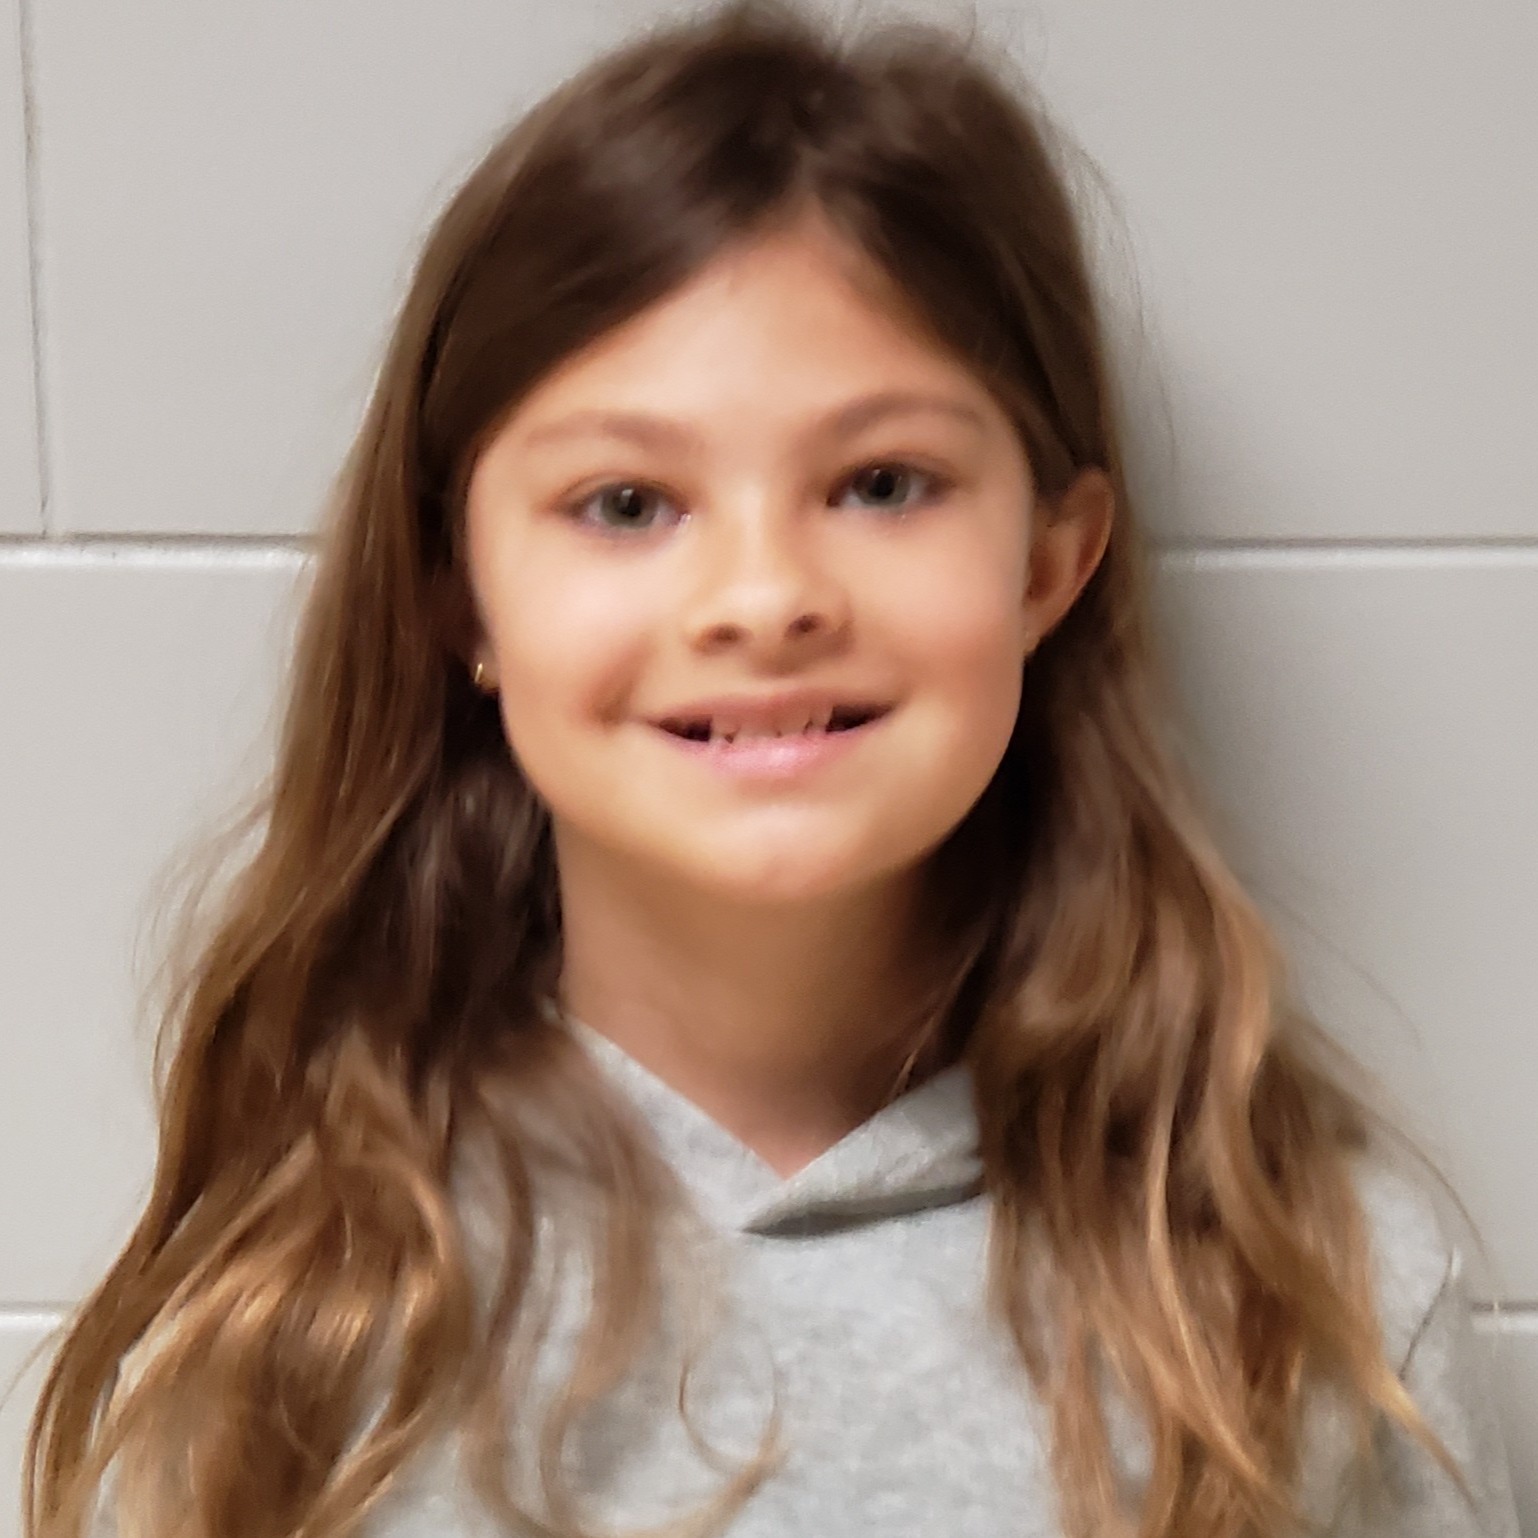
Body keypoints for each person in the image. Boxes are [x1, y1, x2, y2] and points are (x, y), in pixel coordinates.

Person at [21, 2, 1520, 1536]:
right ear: (457, 593)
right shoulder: (286, 1324)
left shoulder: (1311, 1297)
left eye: (881, 483)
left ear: (1049, 565)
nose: (763, 595)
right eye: (624, 501)